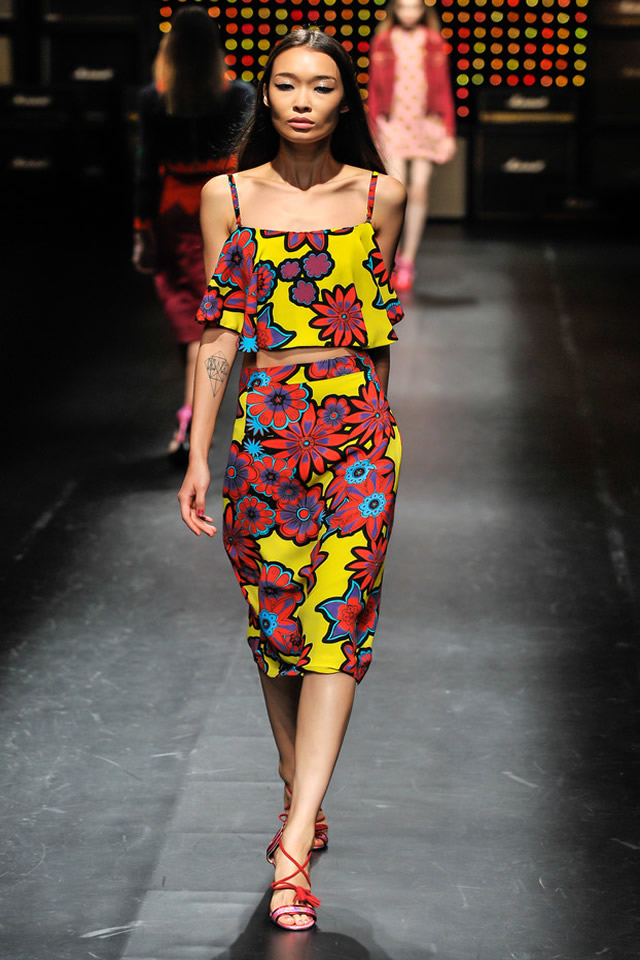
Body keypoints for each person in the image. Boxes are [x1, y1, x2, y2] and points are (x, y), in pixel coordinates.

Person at [178, 28, 406, 931]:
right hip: (266, 434)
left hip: (357, 434)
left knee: (337, 623)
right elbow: (220, 329)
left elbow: (378, 329)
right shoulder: (228, 197)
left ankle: (295, 843)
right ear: (264, 97)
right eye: (285, 84)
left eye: (320, 85)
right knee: (279, 629)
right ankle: (293, 778)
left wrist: (383, 427)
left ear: (345, 100)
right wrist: (199, 452)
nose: (303, 100)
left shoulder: (378, 196)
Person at [132, 6, 253, 461]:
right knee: (217, 318)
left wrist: (142, 231)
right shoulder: (238, 96)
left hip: (176, 212)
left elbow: (146, 169)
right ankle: (203, 421)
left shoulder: (154, 98)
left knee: (194, 322)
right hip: (226, 210)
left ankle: (189, 422)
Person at [367, 0, 456, 291]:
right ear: (395, 9)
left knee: (419, 191)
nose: (409, 13)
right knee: (397, 191)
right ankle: (390, 255)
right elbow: (374, 89)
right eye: (404, 7)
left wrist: (448, 132)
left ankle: (408, 260)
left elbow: (444, 87)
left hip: (426, 123)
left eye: (414, 7)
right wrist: (373, 128)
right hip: (392, 124)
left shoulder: (433, 41)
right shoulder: (383, 41)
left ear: (423, 10)